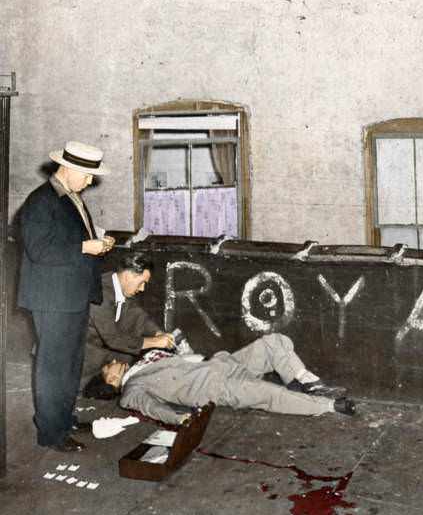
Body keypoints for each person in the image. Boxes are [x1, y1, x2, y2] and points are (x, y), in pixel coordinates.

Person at [18, 141, 115, 452]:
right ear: (69, 169)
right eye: (87, 176)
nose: (90, 182)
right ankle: (50, 433)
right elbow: (39, 249)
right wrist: (86, 247)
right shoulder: (41, 202)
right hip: (52, 298)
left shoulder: (70, 196)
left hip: (71, 295)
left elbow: (68, 236)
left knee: (71, 362)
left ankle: (63, 418)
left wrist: (96, 240)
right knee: (53, 366)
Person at [84, 333, 356, 423]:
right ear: (108, 382)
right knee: (268, 394)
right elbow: (151, 407)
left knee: (274, 341)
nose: (111, 362)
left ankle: (308, 383)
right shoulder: (131, 391)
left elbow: (183, 361)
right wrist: (177, 418)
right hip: (215, 385)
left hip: (221, 362)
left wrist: (179, 347)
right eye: (107, 368)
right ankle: (328, 405)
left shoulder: (144, 359)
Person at [81, 252, 175, 388]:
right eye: (142, 282)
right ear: (129, 275)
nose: (142, 288)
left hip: (102, 357)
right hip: (85, 367)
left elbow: (138, 316)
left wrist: (158, 333)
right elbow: (112, 339)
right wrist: (155, 342)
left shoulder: (118, 286)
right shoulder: (100, 292)